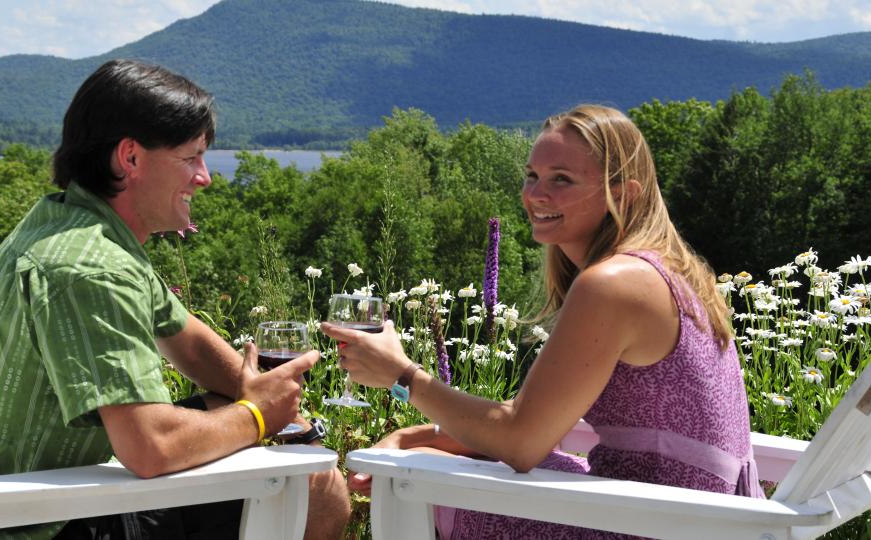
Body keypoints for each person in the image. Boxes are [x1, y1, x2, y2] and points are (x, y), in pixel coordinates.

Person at [0, 59, 350, 540]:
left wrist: (281, 413)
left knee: (251, 432)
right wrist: (256, 415)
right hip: (21, 527)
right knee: (314, 486)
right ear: (130, 158)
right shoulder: (92, 267)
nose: (205, 177)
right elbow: (149, 448)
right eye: (191, 158)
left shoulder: (73, 225)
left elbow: (189, 343)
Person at [322, 104, 762, 539]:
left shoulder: (614, 284)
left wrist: (402, 377)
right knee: (437, 465)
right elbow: (535, 423)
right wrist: (423, 437)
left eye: (562, 180)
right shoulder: (664, 269)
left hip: (652, 523)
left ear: (625, 193)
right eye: (532, 175)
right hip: (684, 515)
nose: (535, 195)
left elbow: (521, 443)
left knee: (416, 488)